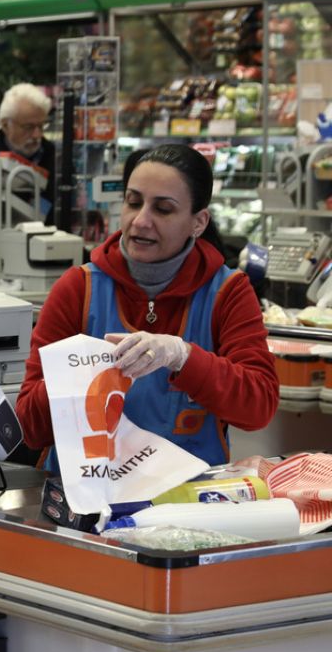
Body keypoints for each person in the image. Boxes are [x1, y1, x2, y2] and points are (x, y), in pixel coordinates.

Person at [15, 143, 279, 467]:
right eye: (133, 202)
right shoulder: (77, 289)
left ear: (198, 222)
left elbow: (258, 407)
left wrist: (183, 357)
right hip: (88, 503)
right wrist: (74, 373)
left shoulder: (228, 292)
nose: (140, 221)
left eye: (163, 209)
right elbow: (29, 427)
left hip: (190, 504)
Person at [0, 83, 56, 224]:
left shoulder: (57, 159)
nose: (37, 135)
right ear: (5, 125)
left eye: (41, 126)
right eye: (28, 127)